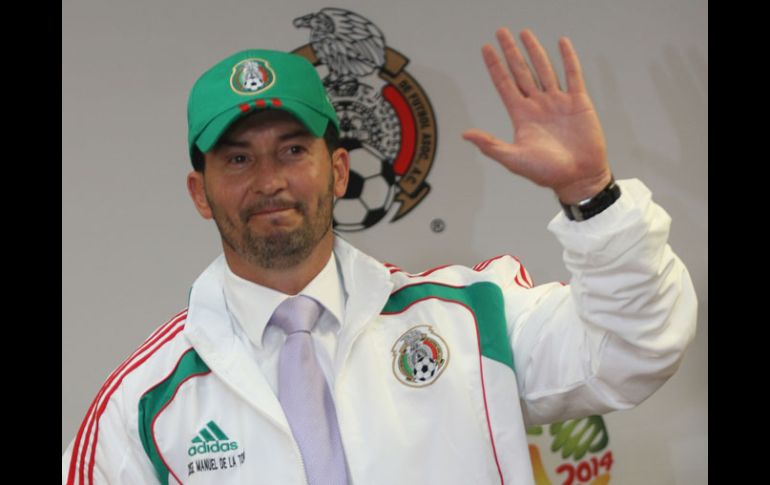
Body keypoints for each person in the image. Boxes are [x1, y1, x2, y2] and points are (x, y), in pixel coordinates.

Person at [62, 27, 697, 485]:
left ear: (339, 171)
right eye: (237, 158)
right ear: (200, 192)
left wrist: (591, 194)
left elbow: (633, 349)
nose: (269, 180)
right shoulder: (141, 405)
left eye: (292, 150)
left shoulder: (471, 317)